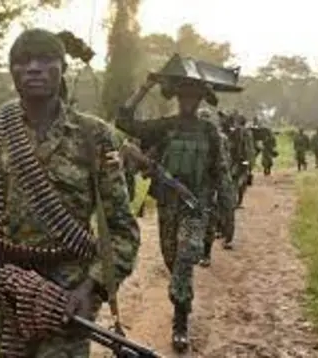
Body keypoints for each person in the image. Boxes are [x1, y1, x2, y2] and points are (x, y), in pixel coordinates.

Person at [0, 28, 140, 358]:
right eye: (23, 61)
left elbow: (122, 229)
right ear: (11, 70)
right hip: (0, 288)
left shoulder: (94, 136)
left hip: (65, 297)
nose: (34, 68)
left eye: (46, 60)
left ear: (63, 68)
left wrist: (91, 288)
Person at [116, 73, 234, 352]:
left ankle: (180, 322)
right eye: (184, 96)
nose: (189, 102)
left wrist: (228, 215)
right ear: (179, 98)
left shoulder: (209, 133)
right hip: (168, 206)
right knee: (172, 260)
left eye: (194, 97)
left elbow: (222, 174)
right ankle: (182, 300)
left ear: (200, 99)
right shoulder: (166, 127)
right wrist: (145, 86)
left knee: (184, 258)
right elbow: (123, 121)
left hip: (196, 207)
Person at [199, 109, 236, 266]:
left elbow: (225, 161)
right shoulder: (193, 137)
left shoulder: (219, 138)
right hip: (196, 183)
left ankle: (206, 253)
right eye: (202, 118)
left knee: (210, 216)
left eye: (206, 118)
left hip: (212, 182)